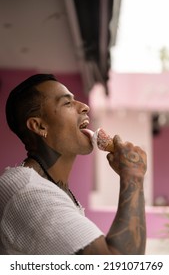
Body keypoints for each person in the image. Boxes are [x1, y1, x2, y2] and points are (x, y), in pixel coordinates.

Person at [0, 74, 147, 255]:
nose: (85, 107)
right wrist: (133, 176)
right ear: (39, 126)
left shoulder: (49, 187)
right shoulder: (29, 193)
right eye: (67, 103)